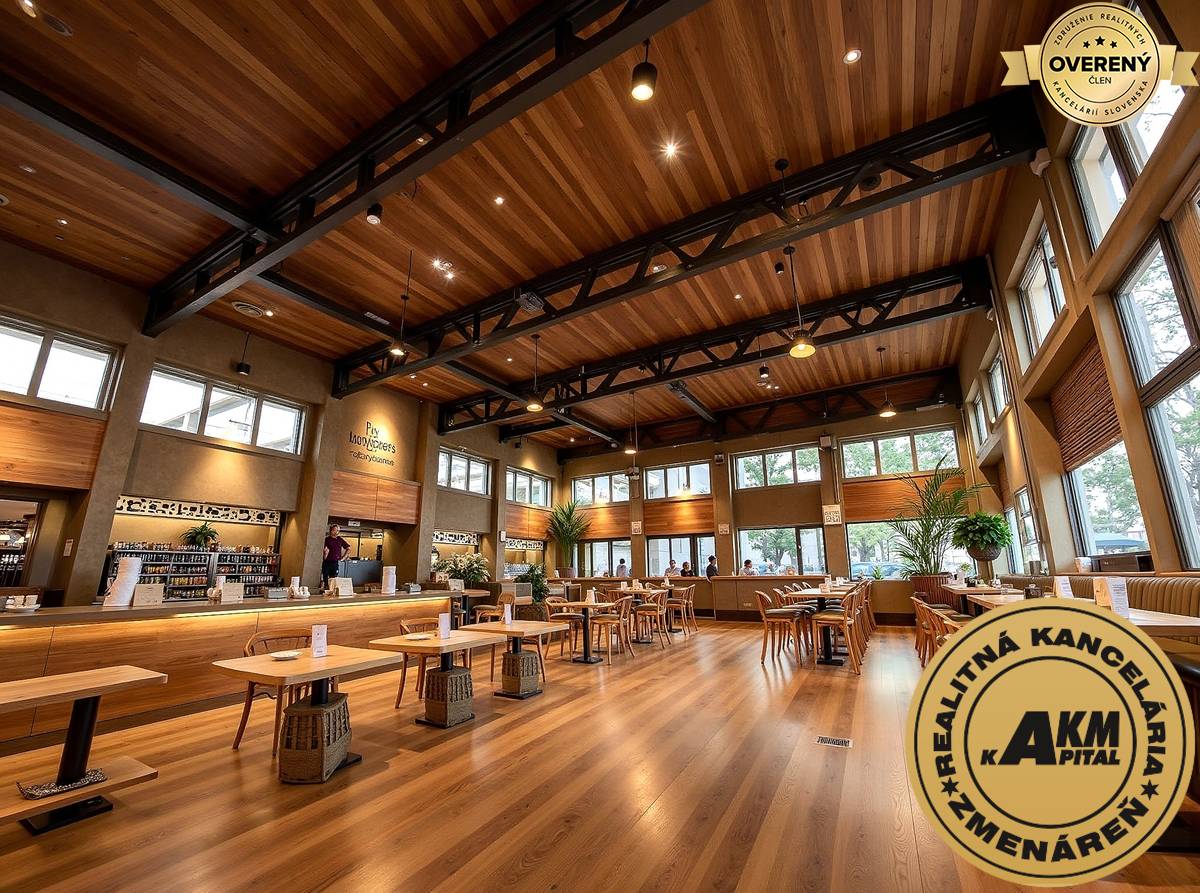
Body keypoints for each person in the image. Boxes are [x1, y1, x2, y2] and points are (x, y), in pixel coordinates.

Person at [322, 524, 350, 589]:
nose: (337, 532)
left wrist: (343, 558)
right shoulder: (326, 539)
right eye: (335, 530)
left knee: (333, 579)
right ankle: (325, 589)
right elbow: (324, 550)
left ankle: (332, 591)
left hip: (335, 562)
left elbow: (348, 548)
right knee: (325, 578)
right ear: (331, 531)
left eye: (338, 530)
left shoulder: (340, 539)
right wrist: (325, 554)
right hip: (326, 562)